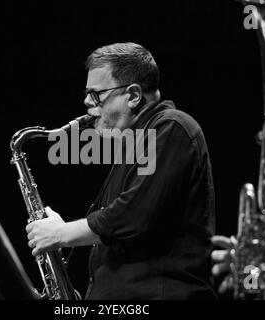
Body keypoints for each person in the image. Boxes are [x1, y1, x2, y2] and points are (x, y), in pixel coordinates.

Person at [26, 42, 217, 299]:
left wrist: (62, 233)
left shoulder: (173, 126)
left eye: (96, 94)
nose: (86, 102)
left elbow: (133, 216)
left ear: (134, 95)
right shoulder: (136, 145)